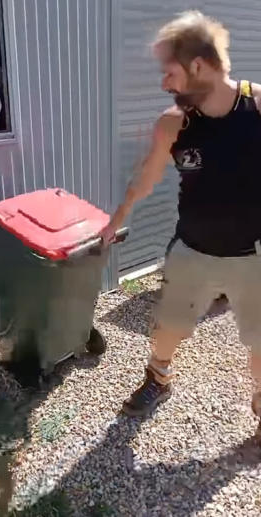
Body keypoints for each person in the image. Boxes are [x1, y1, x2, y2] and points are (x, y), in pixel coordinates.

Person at [99, 11, 261, 422]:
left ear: (199, 67)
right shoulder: (173, 125)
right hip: (193, 250)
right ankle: (158, 378)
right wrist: (115, 219)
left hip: (253, 256)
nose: (164, 84)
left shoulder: (258, 106)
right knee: (167, 327)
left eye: (170, 73)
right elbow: (145, 178)